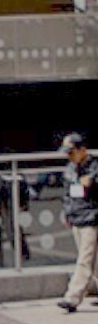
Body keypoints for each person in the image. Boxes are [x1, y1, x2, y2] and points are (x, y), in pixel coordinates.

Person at [61, 132, 98, 311]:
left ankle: (72, 297)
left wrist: (91, 184)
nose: (69, 156)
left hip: (92, 217)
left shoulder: (95, 167)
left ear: (82, 150)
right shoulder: (69, 169)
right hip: (76, 218)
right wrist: (67, 214)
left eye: (72, 152)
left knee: (84, 259)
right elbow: (67, 194)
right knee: (93, 262)